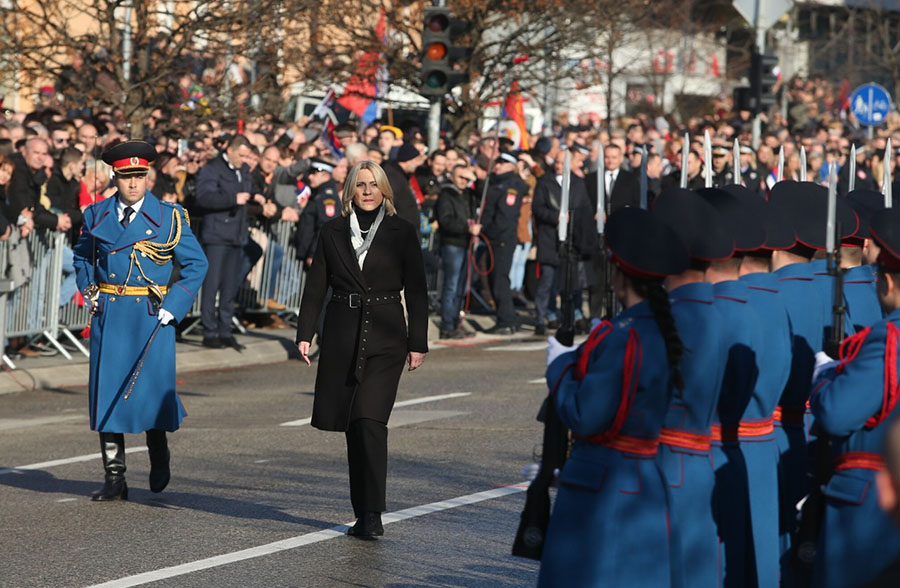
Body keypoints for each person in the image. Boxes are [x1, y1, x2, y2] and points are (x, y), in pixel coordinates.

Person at [538, 207, 688, 587]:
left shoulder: (625, 335)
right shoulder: (657, 327)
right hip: (644, 477)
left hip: (603, 483)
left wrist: (558, 368)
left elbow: (586, 414)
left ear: (620, 276)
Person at [295, 161, 428, 538]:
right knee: (352, 426)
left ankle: (373, 515)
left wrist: (418, 342)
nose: (367, 191)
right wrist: (305, 333)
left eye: (374, 185)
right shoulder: (331, 231)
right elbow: (316, 286)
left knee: (370, 421)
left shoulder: (402, 232)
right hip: (341, 333)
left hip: (387, 335)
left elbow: (417, 291)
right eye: (360, 185)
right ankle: (361, 510)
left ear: (385, 191)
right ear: (350, 191)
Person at [72, 140, 208, 501]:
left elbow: (197, 264)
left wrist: (175, 303)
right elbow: (83, 257)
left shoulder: (169, 217)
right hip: (111, 314)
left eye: (139, 176)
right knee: (108, 395)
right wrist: (90, 290)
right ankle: (114, 476)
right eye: (125, 176)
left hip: (151, 316)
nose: (133, 184)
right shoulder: (96, 214)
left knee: (149, 395)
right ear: (114, 177)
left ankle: (158, 453)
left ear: (149, 177)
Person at [810, 205, 900, 588]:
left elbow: (837, 414)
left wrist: (824, 378)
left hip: (872, 501)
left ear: (888, 282)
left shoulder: (889, 336)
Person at [194, 134, 255, 350]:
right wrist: (232, 199)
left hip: (236, 236)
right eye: (241, 155)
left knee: (230, 287)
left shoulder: (244, 170)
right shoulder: (213, 169)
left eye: (247, 155)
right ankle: (209, 331)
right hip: (217, 235)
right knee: (212, 286)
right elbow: (203, 197)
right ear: (230, 150)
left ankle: (225, 330)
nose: (244, 159)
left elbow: (250, 192)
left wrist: (259, 198)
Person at [482, 151, 529, 334]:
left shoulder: (512, 185)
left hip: (501, 239)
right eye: (497, 162)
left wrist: (487, 230)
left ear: (511, 166)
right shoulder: (496, 183)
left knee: (500, 281)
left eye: (502, 162)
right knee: (498, 280)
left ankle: (506, 320)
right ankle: (507, 318)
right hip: (496, 238)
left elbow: (504, 217)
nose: (498, 165)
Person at [435, 164, 479, 339]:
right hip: (452, 244)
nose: (463, 181)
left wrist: (475, 178)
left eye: (466, 178)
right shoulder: (446, 194)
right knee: (451, 285)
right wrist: (466, 229)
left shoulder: (468, 195)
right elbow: (445, 221)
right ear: (452, 176)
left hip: (466, 244)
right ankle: (447, 324)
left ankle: (455, 321)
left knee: (462, 286)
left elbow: (485, 193)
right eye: (460, 177)